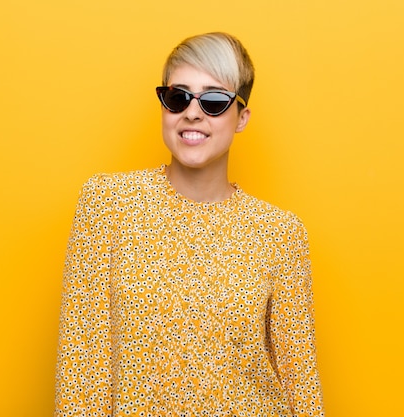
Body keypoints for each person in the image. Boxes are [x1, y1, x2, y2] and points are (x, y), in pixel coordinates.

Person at [54, 32, 325, 417]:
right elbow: (81, 368)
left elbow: (301, 382)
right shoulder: (106, 205)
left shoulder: (280, 233)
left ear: (242, 117)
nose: (192, 113)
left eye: (214, 101)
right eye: (178, 97)